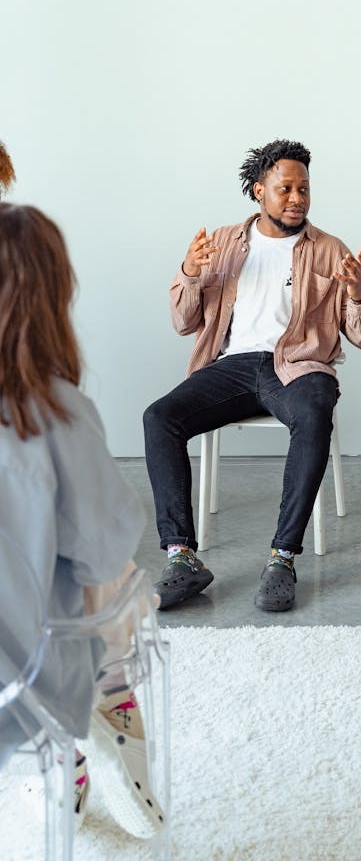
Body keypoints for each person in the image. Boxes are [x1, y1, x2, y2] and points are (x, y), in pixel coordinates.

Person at [144, 138, 361, 612]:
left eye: (304, 189)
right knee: (159, 417)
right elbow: (183, 322)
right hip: (231, 365)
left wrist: (357, 291)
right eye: (285, 189)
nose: (297, 199)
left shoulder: (330, 250)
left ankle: (283, 558)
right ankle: (181, 556)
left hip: (298, 366)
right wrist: (190, 271)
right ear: (259, 191)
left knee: (315, 415)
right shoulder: (224, 244)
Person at [0, 194, 163, 838]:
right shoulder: (56, 412)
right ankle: (111, 715)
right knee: (118, 582)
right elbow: (101, 555)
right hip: (30, 678)